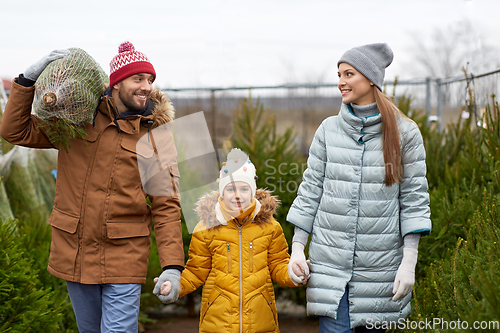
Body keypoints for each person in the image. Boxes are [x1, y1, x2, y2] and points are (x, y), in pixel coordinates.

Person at [0, 41, 184, 332]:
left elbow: (166, 205)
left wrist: (172, 267)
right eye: (138, 79)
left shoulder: (155, 136)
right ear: (115, 83)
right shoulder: (77, 120)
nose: (146, 86)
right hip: (76, 252)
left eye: (150, 80)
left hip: (125, 254)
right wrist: (27, 81)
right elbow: (14, 131)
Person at [286, 43, 431, 333]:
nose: (341, 81)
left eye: (349, 73)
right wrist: (298, 248)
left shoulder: (406, 133)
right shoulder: (328, 130)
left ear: (370, 78)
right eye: (339, 74)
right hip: (331, 271)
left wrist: (408, 262)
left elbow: (414, 200)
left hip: (381, 273)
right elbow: (310, 190)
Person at [155, 148, 309, 333]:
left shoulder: (270, 227)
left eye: (244, 189)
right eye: (231, 189)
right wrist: (175, 286)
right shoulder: (205, 229)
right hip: (218, 324)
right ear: (222, 191)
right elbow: (196, 272)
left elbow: (278, 265)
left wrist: (293, 273)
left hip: (261, 322)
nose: (237, 195)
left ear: (252, 191)